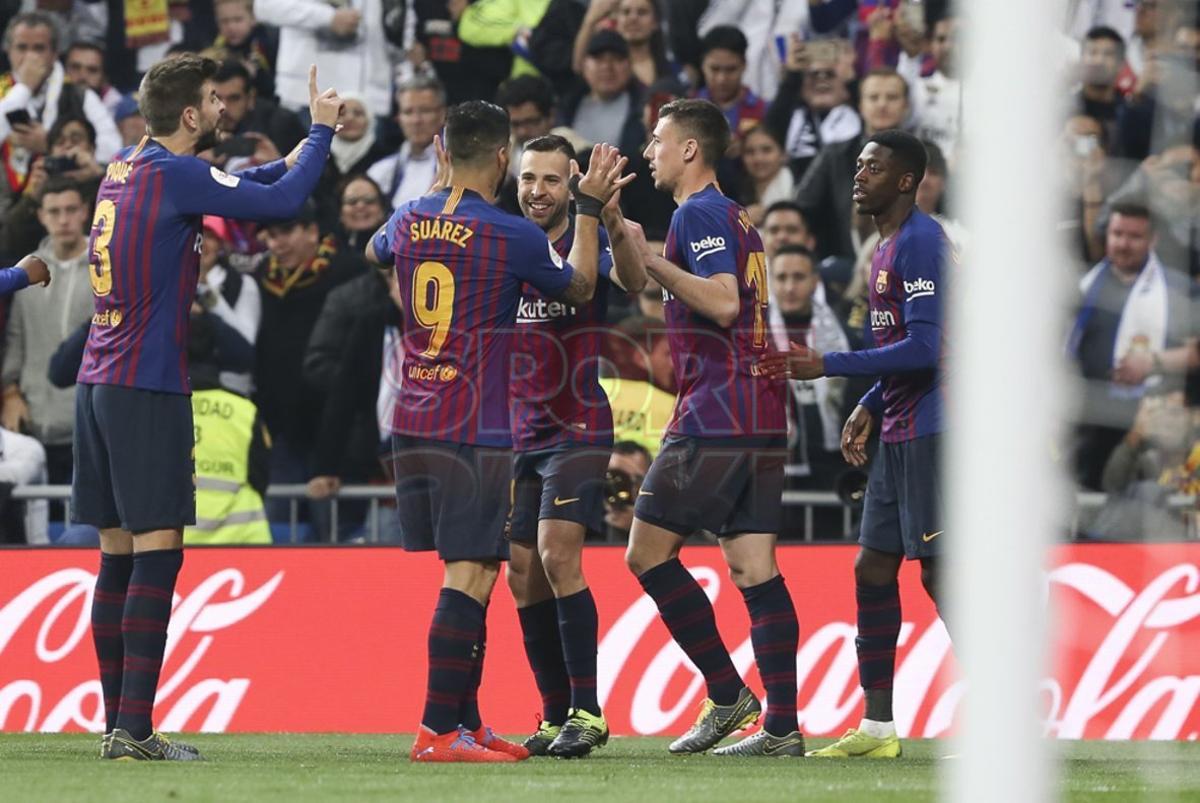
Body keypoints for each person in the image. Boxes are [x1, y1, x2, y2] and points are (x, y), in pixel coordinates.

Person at [76, 55, 340, 762]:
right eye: (215, 101)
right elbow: (283, 203)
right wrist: (319, 135)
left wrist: (282, 158)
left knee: (116, 556)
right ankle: (134, 729)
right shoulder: (177, 174)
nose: (225, 109)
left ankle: (116, 724)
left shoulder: (127, 167)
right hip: (147, 382)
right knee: (158, 554)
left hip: (97, 382)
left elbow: (235, 184)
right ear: (189, 114)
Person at [365, 101, 629, 763]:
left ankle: (469, 720)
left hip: (411, 419)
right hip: (473, 421)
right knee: (471, 575)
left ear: (443, 153)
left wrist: (434, 192)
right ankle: (437, 730)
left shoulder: (407, 216)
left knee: (479, 571)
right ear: (504, 160)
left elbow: (373, 251)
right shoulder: (511, 235)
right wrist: (592, 210)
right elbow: (582, 286)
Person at [625, 98, 802, 757]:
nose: (650, 152)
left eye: (658, 140)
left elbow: (725, 302)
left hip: (717, 410)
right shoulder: (736, 215)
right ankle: (781, 727)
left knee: (645, 552)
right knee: (754, 564)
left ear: (690, 149)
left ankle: (729, 695)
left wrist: (652, 260)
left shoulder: (697, 212)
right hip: (759, 408)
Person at [771, 129, 948, 759]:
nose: (858, 174)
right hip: (898, 424)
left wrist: (833, 366)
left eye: (873, 167)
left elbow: (929, 349)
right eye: (858, 164)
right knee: (871, 567)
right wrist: (871, 404)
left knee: (942, 575)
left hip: (934, 428)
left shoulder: (922, 243)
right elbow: (907, 346)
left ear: (906, 181)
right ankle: (877, 728)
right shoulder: (885, 245)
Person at [504, 134, 645, 758]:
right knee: (522, 575)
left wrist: (608, 214)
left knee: (558, 557)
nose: (538, 190)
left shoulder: (592, 235)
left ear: (573, 186)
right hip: (520, 428)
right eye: (528, 178)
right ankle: (554, 712)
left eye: (552, 180)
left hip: (579, 421)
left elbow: (637, 282)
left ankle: (588, 711)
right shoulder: (507, 242)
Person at [2, 177, 95, 491]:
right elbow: (16, 342)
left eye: (71, 209)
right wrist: (9, 392)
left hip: (89, 422)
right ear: (41, 215)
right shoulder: (25, 275)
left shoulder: (104, 268)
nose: (63, 219)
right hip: (34, 421)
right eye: (54, 211)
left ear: (86, 212)